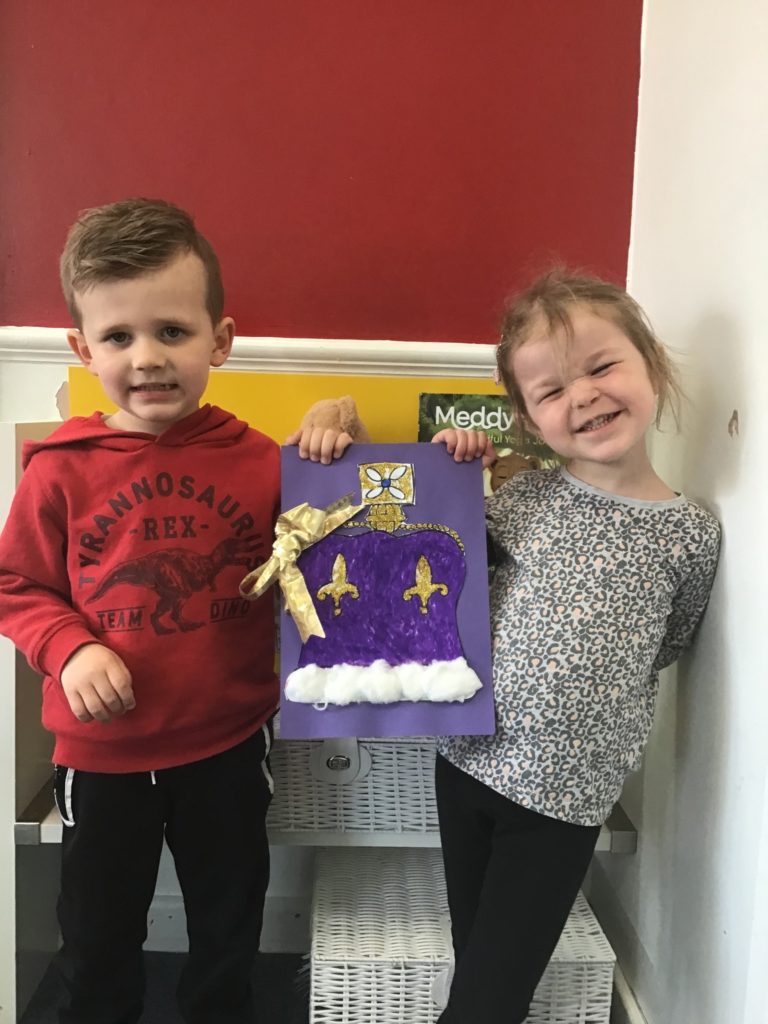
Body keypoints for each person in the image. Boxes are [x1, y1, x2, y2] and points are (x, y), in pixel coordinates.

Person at [0, 198, 353, 1024]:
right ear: (84, 350)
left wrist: (337, 431)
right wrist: (70, 648)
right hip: (101, 757)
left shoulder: (260, 461)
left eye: (172, 331)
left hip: (226, 748)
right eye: (119, 337)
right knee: (97, 942)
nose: (148, 357)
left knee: (228, 932)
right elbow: (16, 584)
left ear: (218, 341)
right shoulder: (59, 470)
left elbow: (328, 542)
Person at [431, 270, 721, 1024]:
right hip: (464, 763)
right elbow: (440, 580)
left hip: (562, 799)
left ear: (651, 363)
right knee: (477, 959)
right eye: (552, 390)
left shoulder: (689, 533)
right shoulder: (520, 498)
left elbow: (669, 643)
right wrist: (451, 473)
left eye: (600, 366)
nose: (584, 396)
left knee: (490, 997)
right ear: (528, 418)